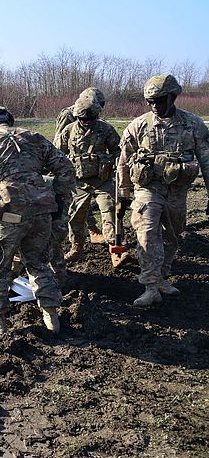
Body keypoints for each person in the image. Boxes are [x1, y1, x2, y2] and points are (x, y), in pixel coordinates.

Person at [0, 105, 75, 335]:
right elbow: (66, 168)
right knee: (38, 262)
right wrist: (60, 200)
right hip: (43, 211)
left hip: (9, 213)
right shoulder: (34, 137)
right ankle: (51, 317)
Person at [117, 74, 209, 307]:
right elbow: (124, 161)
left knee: (173, 235)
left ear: (172, 97)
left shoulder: (193, 124)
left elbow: (206, 160)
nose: (154, 106)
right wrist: (123, 192)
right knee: (146, 233)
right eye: (150, 102)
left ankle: (161, 278)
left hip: (177, 191)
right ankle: (150, 286)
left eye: (159, 100)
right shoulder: (138, 126)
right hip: (148, 189)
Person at [55, 96, 121, 261]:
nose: (86, 122)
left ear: (96, 116)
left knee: (110, 212)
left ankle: (116, 250)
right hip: (78, 184)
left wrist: (109, 162)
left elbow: (119, 152)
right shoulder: (68, 131)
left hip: (102, 182)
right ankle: (77, 248)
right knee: (75, 218)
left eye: (90, 119)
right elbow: (57, 155)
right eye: (82, 119)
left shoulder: (106, 130)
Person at [55, 87, 108, 243]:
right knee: (76, 204)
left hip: (93, 170)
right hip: (75, 165)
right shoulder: (68, 115)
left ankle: (91, 230)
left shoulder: (95, 117)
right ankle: (90, 230)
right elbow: (60, 141)